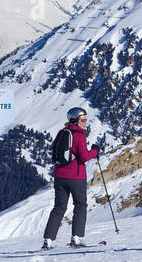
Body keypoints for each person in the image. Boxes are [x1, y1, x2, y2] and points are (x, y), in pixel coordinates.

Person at [42, 106, 104, 250]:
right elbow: (84, 157)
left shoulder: (62, 133)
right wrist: (95, 151)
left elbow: (53, 150)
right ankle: (77, 238)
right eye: (83, 120)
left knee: (59, 207)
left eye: (86, 120)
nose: (85, 123)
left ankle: (48, 240)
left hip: (59, 176)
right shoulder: (79, 135)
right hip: (76, 177)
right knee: (80, 205)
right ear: (75, 120)